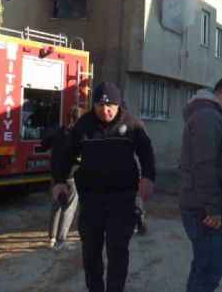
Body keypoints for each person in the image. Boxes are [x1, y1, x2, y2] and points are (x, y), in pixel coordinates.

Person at [53, 82, 156, 292]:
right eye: (100, 105)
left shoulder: (133, 125)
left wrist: (148, 177)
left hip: (122, 198)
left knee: (118, 250)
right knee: (90, 251)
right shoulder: (83, 125)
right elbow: (65, 155)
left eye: (110, 106)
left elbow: (146, 153)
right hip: (91, 199)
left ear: (118, 105)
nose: (105, 110)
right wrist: (59, 181)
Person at [179, 76, 222, 292]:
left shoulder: (209, 116)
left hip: (204, 208)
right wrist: (214, 209)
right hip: (205, 212)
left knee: (204, 267)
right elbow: (205, 165)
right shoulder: (208, 118)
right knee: (209, 271)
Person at [42, 106, 83, 251]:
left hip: (56, 176)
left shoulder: (58, 132)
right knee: (68, 208)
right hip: (71, 177)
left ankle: (51, 239)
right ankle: (61, 241)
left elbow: (44, 145)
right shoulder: (78, 135)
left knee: (56, 206)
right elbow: (81, 157)